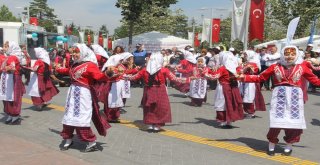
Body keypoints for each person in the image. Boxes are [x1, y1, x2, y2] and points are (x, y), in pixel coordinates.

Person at [238, 45, 320, 156]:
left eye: (292, 54)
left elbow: (315, 81)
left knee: (293, 124)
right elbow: (260, 77)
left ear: (296, 55)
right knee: (276, 122)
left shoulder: (302, 67)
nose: (289, 57)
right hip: (279, 97)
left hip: (295, 98)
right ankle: (271, 144)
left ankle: (289, 145)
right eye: (286, 54)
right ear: (282, 54)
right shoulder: (275, 66)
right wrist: (243, 77)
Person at [56, 43, 111, 152]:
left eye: (77, 52)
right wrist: (58, 69)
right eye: (73, 52)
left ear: (83, 52)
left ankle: (91, 142)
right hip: (72, 94)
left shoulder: (90, 65)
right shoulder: (74, 64)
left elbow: (99, 76)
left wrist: (108, 73)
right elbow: (67, 71)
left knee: (81, 118)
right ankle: (68, 138)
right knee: (68, 117)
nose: (74, 54)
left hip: (83, 95)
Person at [127, 53, 185, 132]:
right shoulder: (164, 70)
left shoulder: (144, 70)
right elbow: (174, 79)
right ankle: (157, 124)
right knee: (161, 107)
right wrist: (189, 80)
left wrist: (122, 76)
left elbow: (133, 77)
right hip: (160, 90)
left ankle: (150, 123)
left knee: (149, 107)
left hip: (148, 90)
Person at [204, 51, 244, 128]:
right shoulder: (237, 68)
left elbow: (214, 77)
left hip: (223, 87)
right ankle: (229, 121)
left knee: (221, 104)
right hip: (233, 88)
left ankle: (223, 120)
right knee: (230, 104)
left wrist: (206, 71)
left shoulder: (223, 68)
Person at [0, 41, 26, 124]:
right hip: (9, 78)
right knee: (8, 97)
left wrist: (4, 69)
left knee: (13, 97)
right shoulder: (10, 56)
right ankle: (11, 114)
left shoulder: (13, 57)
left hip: (12, 78)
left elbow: (12, 68)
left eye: (6, 47)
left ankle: (14, 114)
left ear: (11, 47)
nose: (4, 48)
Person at [237, 50, 266, 119]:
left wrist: (246, 69)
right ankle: (246, 111)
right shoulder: (244, 63)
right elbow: (239, 71)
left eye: (246, 55)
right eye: (244, 55)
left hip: (250, 83)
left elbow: (254, 72)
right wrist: (243, 68)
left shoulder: (254, 63)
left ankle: (251, 112)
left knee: (249, 97)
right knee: (243, 97)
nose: (244, 56)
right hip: (243, 82)